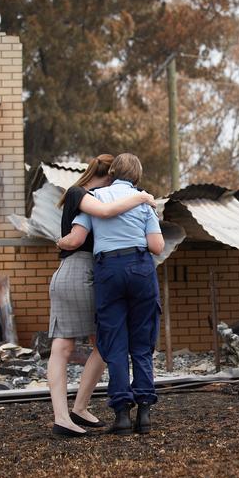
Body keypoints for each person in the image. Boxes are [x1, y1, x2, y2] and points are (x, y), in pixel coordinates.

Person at [49, 154, 157, 438]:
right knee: (71, 345)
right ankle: (65, 415)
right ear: (112, 174)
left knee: (106, 343)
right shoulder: (85, 195)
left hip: (100, 273)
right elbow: (102, 220)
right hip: (82, 271)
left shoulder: (97, 197)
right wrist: (142, 197)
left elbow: (98, 219)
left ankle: (90, 409)